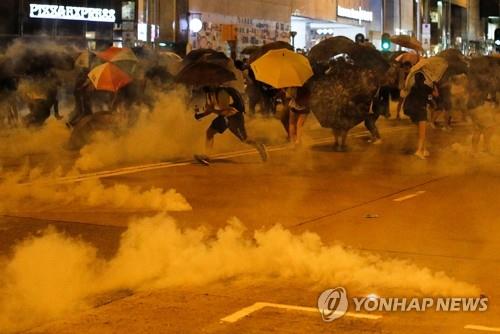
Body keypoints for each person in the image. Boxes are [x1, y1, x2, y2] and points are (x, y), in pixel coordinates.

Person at [194, 86, 267, 165]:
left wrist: (213, 110)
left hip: (234, 117)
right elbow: (212, 109)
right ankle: (206, 157)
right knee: (210, 132)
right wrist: (200, 115)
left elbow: (229, 111)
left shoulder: (222, 93)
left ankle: (260, 146)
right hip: (226, 117)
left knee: (245, 139)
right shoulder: (211, 94)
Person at [403, 72, 433, 160]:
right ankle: (419, 151)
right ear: (424, 79)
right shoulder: (427, 88)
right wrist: (433, 88)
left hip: (413, 112)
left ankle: (424, 149)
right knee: (422, 134)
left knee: (420, 131)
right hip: (421, 111)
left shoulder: (413, 88)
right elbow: (430, 98)